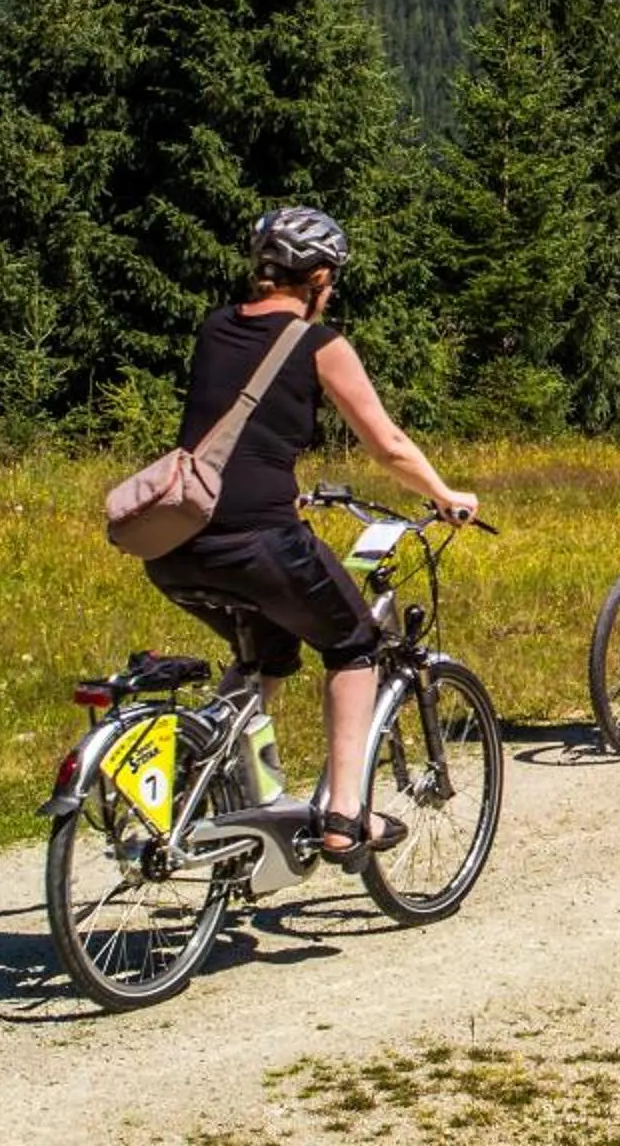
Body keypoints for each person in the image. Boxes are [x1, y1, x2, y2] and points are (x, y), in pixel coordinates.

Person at [144, 206, 479, 865]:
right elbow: (388, 445)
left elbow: (237, 429)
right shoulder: (319, 344)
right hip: (256, 539)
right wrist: (444, 495)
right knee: (355, 644)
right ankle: (344, 815)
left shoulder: (215, 328)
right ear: (320, 276)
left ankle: (214, 783)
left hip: (175, 543)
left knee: (267, 652)